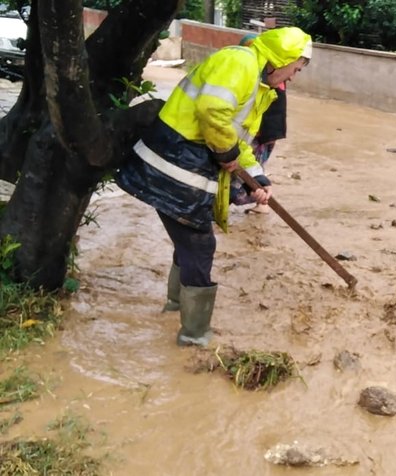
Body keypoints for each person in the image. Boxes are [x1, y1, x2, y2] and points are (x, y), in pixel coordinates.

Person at [116, 27, 313, 346]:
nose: (292, 79)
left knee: (191, 239)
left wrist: (257, 177)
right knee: (199, 244)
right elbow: (212, 111)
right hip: (173, 165)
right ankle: (193, 337)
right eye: (295, 70)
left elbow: (239, 141)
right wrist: (227, 154)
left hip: (180, 168)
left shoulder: (260, 86)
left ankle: (175, 308)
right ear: (281, 60)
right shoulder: (242, 63)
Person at [230, 34, 290, 214]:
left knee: (246, 169)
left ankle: (261, 202)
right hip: (267, 133)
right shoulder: (271, 74)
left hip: (261, 134)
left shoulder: (266, 78)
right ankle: (260, 201)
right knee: (251, 167)